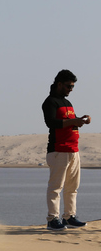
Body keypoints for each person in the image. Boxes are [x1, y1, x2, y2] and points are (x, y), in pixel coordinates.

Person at [42, 69, 91, 231]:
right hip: (58, 150)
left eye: (73, 87)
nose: (71, 89)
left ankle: (69, 216)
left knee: (72, 187)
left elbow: (71, 122)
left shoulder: (67, 103)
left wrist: (82, 120)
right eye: (69, 86)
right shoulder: (50, 102)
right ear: (59, 84)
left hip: (73, 150)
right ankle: (52, 219)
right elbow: (52, 123)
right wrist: (74, 122)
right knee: (56, 187)